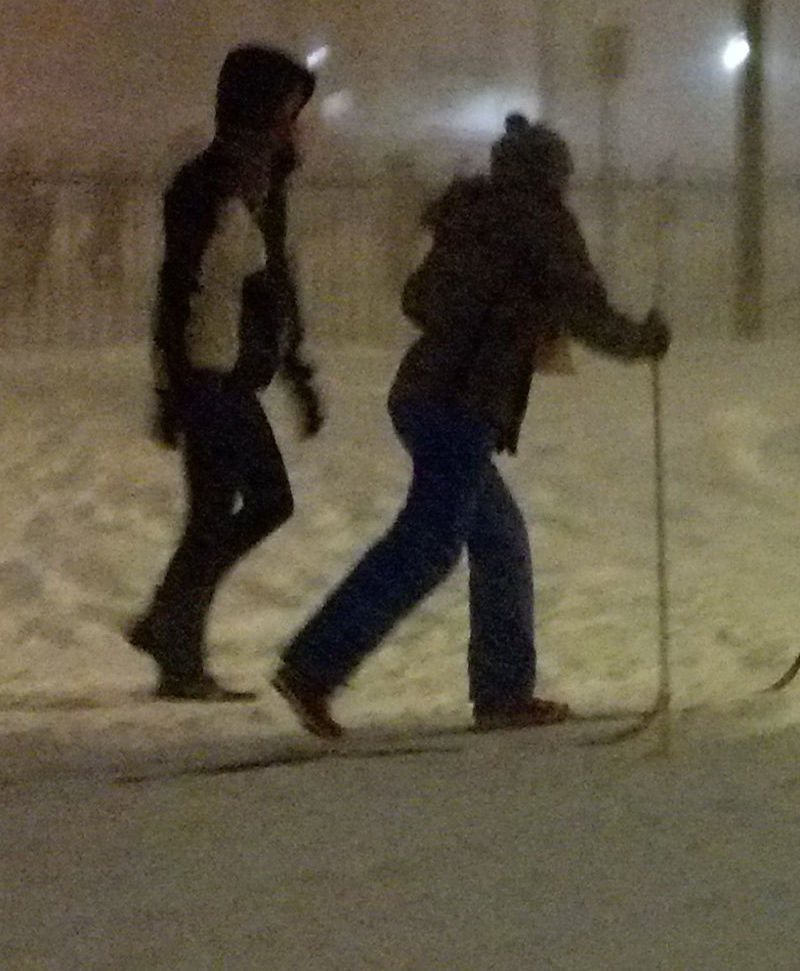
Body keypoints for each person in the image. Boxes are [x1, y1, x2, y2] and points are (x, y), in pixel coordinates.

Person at [272, 114, 667, 737]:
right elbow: (584, 307)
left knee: (500, 538)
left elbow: (419, 299)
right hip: (461, 402)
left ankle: (504, 692)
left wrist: (497, 308)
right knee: (429, 544)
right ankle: (314, 666)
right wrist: (641, 340)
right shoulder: (539, 222)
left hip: (424, 394)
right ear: (553, 175)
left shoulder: (472, 220)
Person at [128, 44, 322, 701]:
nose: (294, 122)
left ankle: (169, 630)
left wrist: (296, 369)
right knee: (244, 505)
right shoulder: (206, 184)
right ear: (257, 107)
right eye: (286, 108)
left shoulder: (266, 183)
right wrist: (170, 386)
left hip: (237, 370)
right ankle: (173, 640)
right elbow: (177, 285)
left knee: (224, 510)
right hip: (205, 369)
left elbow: (273, 283)